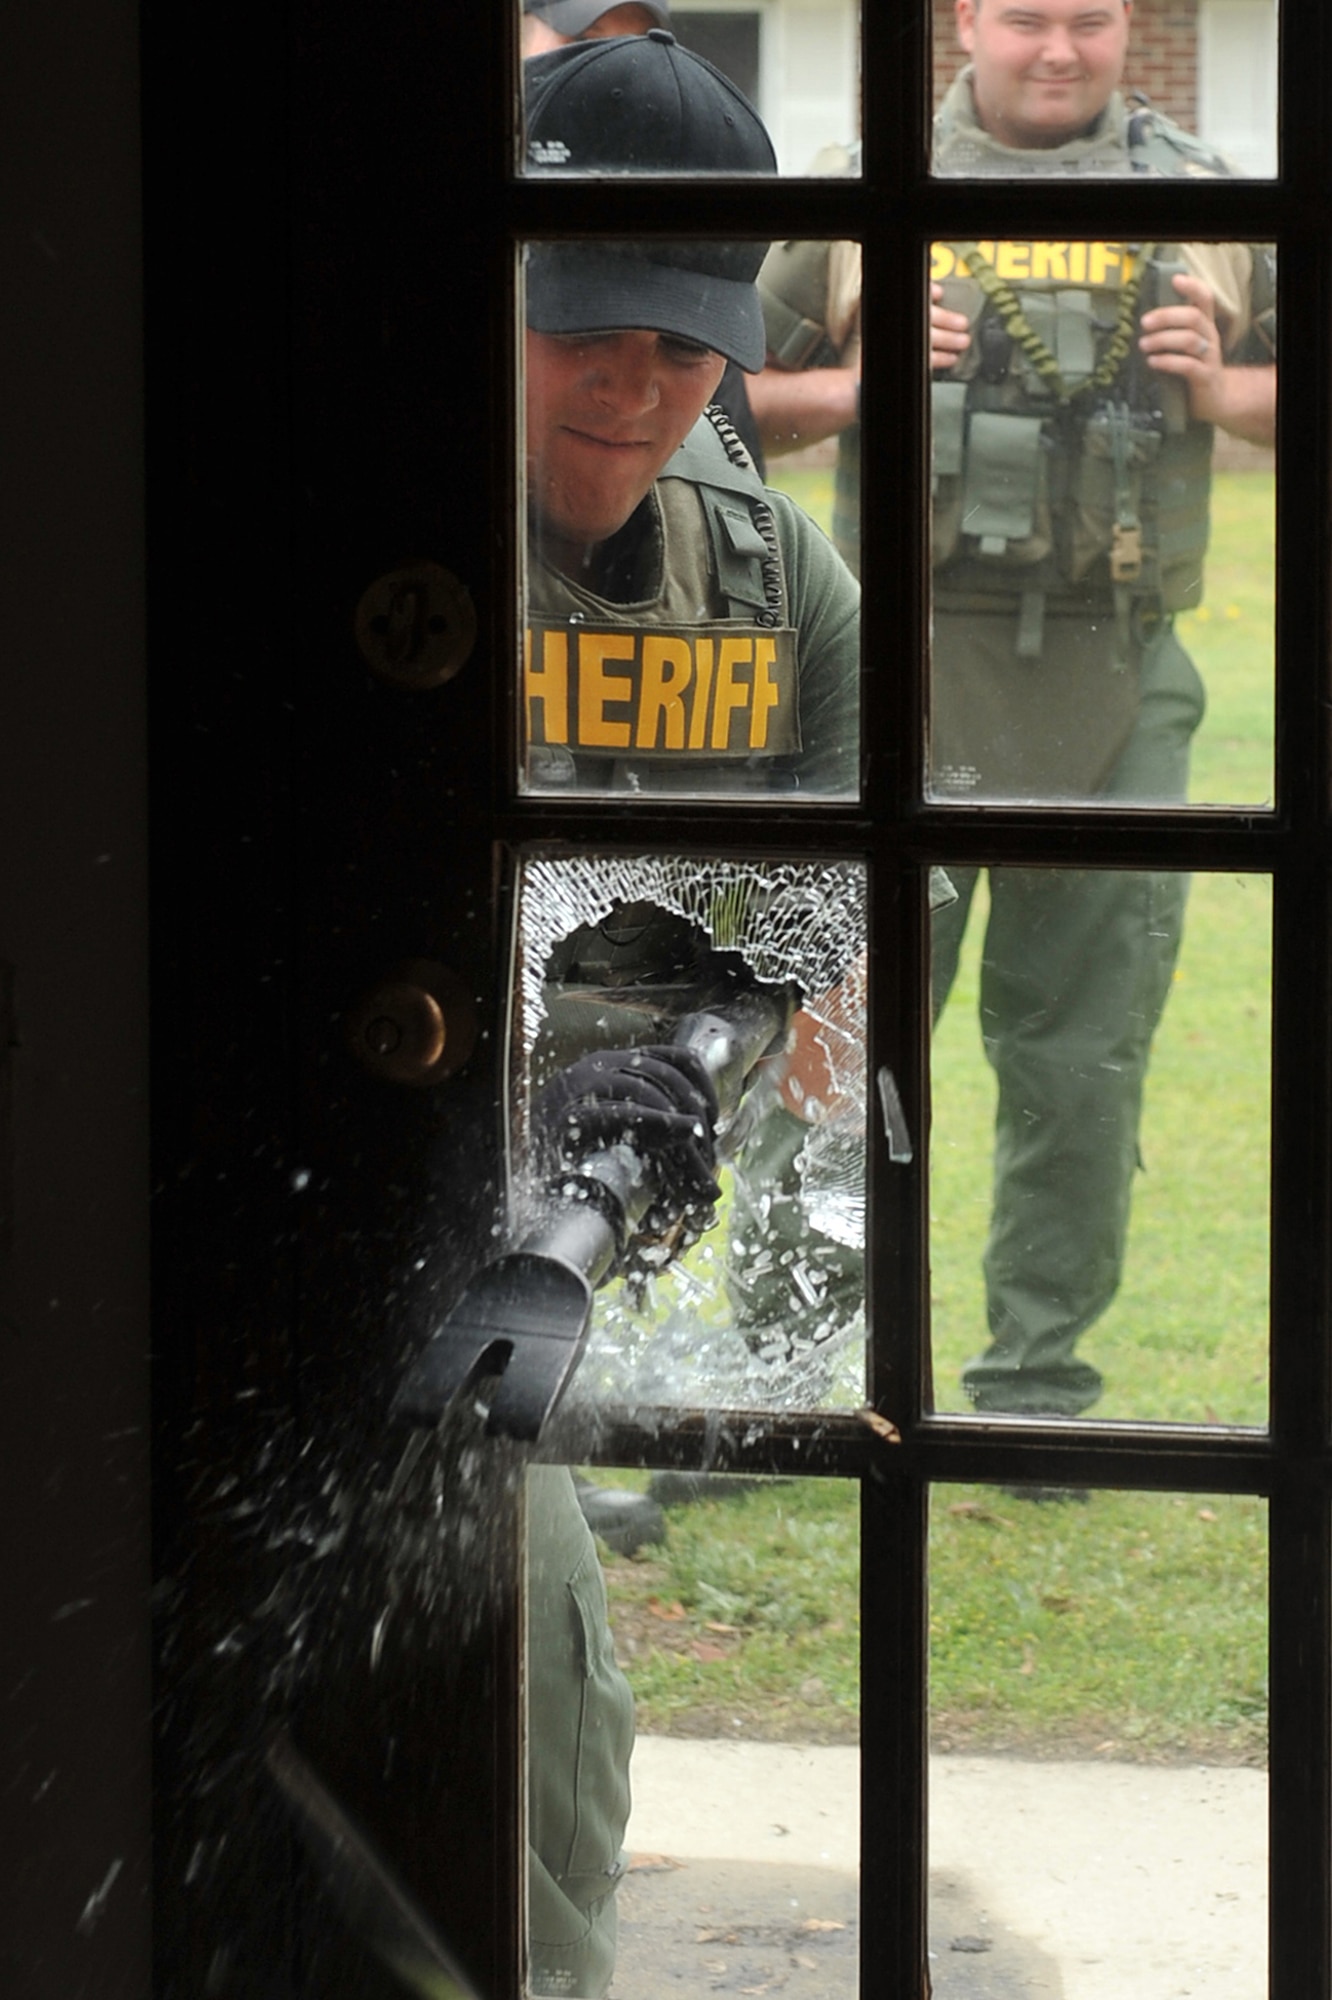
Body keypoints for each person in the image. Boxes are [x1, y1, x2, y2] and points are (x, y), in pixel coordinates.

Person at [749, 0, 1277, 1419]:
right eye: (1027, 16)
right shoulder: (865, 191)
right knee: (838, 1044)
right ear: (965, 21)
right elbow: (713, 393)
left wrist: (1226, 390)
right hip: (895, 680)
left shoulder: (1210, 206)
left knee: (1081, 1057)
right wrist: (858, 386)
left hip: (1119, 683)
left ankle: (1037, 1384)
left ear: (1129, 27)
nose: (1059, 48)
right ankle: (789, 1371)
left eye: (1091, 20)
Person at [518, 32, 863, 1994]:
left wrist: (720, 1049)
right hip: (363, 1198)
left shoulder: (768, 573)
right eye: (586, 328)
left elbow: (839, 937)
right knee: (549, 1712)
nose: (636, 388)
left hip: (551, 1223)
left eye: (681, 339)